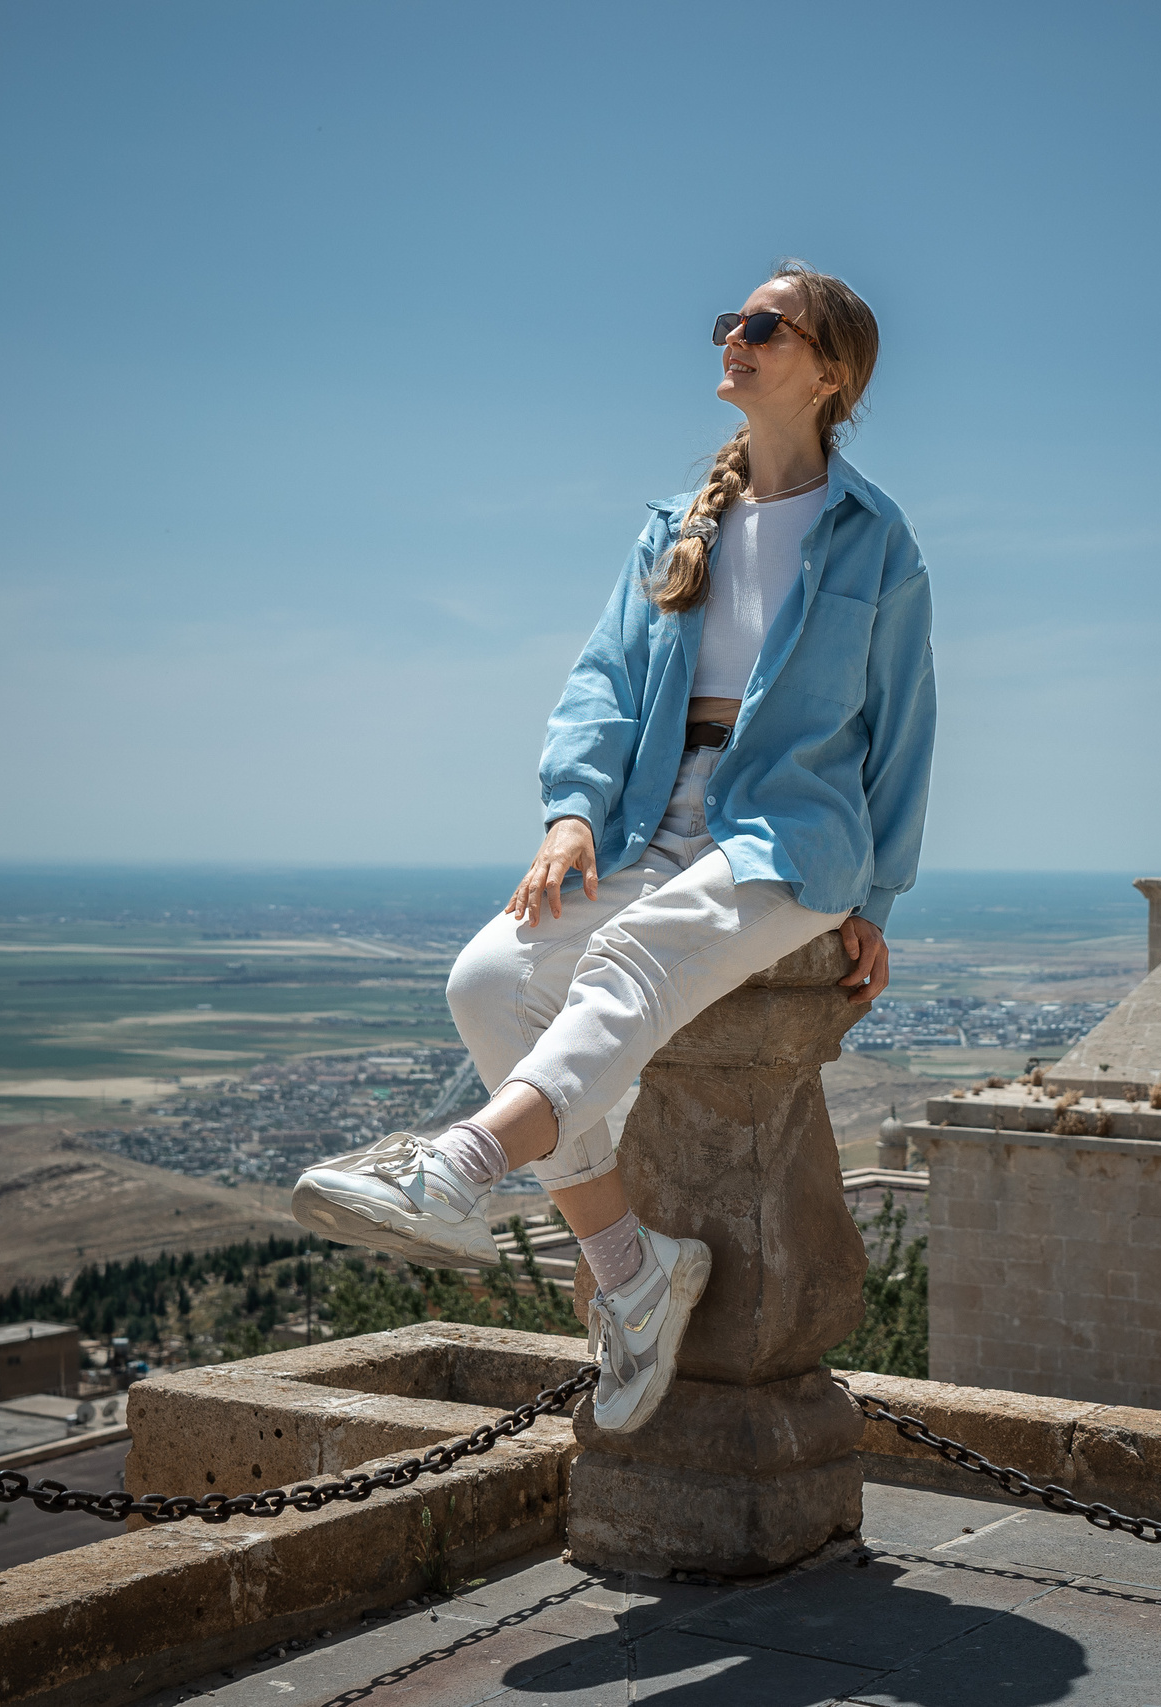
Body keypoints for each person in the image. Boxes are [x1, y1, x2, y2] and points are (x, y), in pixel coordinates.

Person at [292, 261, 935, 1436]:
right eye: (727, 324)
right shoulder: (673, 527)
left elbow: (901, 731)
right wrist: (572, 814)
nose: (730, 340)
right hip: (652, 807)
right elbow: (598, 685)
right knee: (487, 980)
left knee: (633, 954)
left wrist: (877, 903)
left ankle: (459, 1169)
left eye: (761, 326)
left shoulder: (875, 543)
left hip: (789, 830)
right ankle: (633, 1275)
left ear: (829, 370)